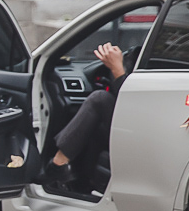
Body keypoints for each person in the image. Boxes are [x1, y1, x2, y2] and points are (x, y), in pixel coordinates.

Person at [40, 42, 128, 190]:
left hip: (145, 130)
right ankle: (81, 183)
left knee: (99, 99)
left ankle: (57, 166)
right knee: (94, 126)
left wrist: (117, 69)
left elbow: (132, 104)